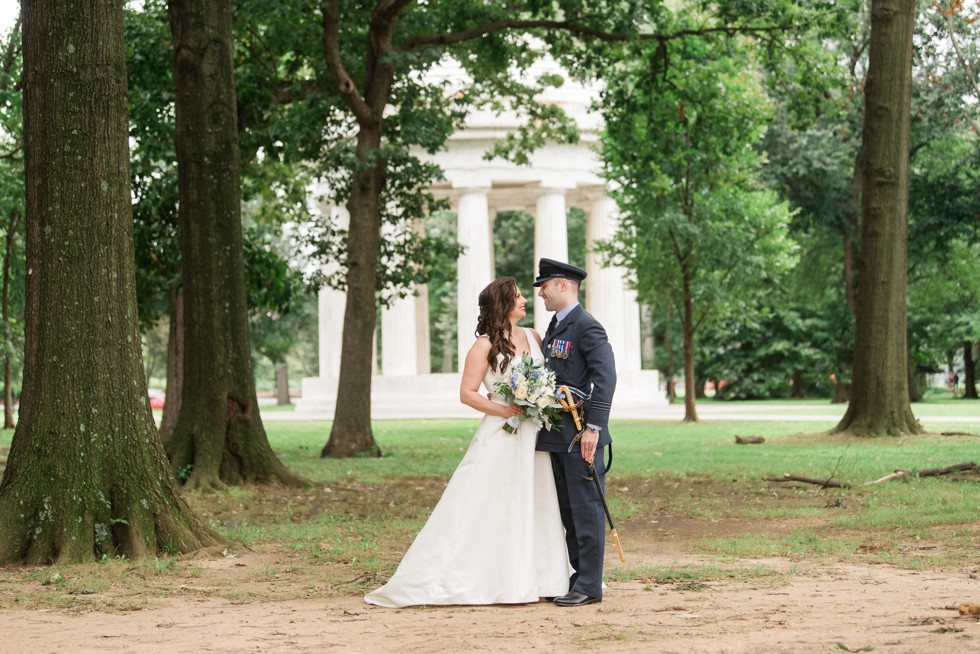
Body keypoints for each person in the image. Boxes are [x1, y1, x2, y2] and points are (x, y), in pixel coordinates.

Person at [364, 277, 570, 608]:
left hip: (534, 433)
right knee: (491, 501)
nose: (525, 300)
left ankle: (545, 577)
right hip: (502, 434)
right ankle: (489, 576)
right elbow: (467, 393)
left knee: (538, 499)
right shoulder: (484, 345)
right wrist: (504, 408)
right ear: (502, 304)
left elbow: (548, 377)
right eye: (517, 297)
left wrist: (540, 397)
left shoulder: (533, 336)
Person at [534, 257, 617, 607]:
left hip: (582, 434)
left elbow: (606, 378)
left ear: (563, 285)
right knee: (567, 510)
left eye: (544, 286)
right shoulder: (555, 326)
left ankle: (590, 586)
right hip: (557, 434)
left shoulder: (587, 326)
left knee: (586, 509)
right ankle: (578, 577)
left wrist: (594, 428)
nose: (540, 294)